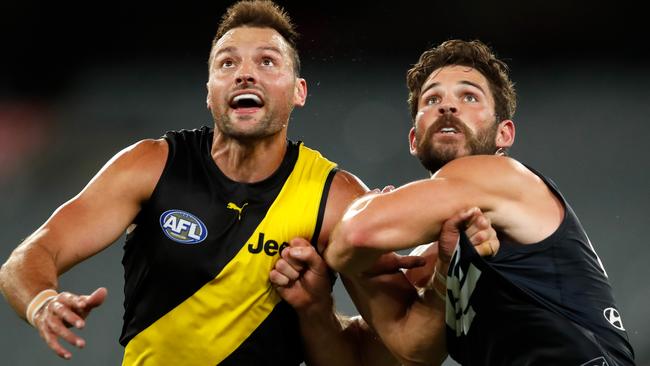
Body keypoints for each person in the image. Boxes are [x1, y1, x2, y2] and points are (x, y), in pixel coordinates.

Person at [0, 1, 385, 365]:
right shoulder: (152, 165)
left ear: (299, 91)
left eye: (267, 61)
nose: (244, 73)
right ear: (209, 92)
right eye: (227, 63)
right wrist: (43, 304)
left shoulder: (337, 199)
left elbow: (397, 346)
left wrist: (318, 312)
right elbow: (27, 258)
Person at [275, 40, 636, 365]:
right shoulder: (436, 258)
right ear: (414, 140)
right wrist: (320, 306)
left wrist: (359, 236)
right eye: (432, 99)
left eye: (469, 97)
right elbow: (408, 352)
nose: (447, 105)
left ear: (503, 134)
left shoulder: (506, 176)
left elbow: (356, 232)